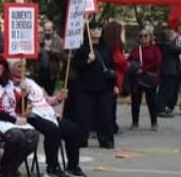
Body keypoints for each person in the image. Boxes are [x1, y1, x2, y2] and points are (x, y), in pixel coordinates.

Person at [10, 59, 85, 177]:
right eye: (19, 67)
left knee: (73, 129)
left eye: (24, 66)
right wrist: (23, 96)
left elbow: (46, 100)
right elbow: (14, 107)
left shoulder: (31, 82)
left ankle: (72, 166)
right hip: (28, 115)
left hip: (47, 113)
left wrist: (58, 98)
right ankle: (52, 168)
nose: (23, 69)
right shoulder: (9, 85)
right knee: (52, 130)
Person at [0, 53, 40, 177]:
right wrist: (15, 121)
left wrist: (24, 95)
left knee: (33, 136)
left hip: (10, 120)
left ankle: (10, 166)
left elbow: (19, 106)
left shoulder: (9, 84)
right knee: (16, 136)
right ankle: (7, 169)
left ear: (4, 67)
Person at [71, 20, 116, 149]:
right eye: (93, 29)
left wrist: (114, 85)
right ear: (88, 31)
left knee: (105, 115)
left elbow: (111, 67)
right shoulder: (83, 48)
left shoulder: (107, 48)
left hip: (103, 87)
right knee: (83, 115)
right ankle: (81, 139)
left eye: (98, 28)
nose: (96, 31)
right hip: (85, 88)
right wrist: (87, 61)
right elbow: (75, 65)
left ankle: (105, 139)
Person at [127, 28, 161, 130]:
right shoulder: (136, 49)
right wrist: (132, 67)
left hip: (149, 78)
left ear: (150, 37)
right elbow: (130, 60)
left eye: (145, 36)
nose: (143, 38)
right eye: (141, 36)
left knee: (151, 101)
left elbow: (157, 62)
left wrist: (144, 69)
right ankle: (135, 122)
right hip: (137, 78)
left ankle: (154, 122)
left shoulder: (155, 49)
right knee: (135, 101)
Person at [155, 27, 181, 118]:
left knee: (163, 90)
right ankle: (160, 108)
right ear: (169, 37)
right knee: (167, 91)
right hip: (169, 71)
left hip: (165, 70)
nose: (175, 35)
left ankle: (160, 107)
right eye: (173, 34)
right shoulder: (168, 45)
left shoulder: (162, 44)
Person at [35, 19, 64, 94]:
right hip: (39, 71)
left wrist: (50, 51)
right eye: (45, 30)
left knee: (50, 93)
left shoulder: (59, 40)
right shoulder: (39, 39)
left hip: (52, 72)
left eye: (49, 30)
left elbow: (62, 56)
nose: (47, 32)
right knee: (38, 94)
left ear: (53, 30)